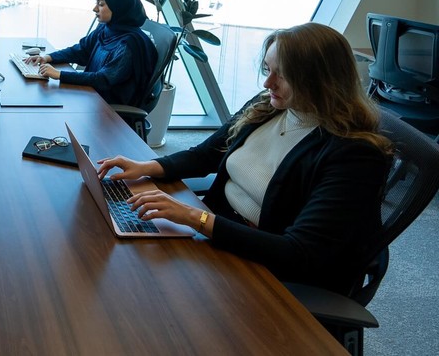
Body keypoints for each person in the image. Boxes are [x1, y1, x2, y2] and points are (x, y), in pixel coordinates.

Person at [95, 22, 392, 294]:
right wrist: (147, 167)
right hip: (217, 234)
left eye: (283, 75)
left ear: (321, 81)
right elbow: (208, 153)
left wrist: (193, 217)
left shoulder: (355, 155)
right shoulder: (268, 107)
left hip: (266, 267)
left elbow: (299, 253)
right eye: (267, 69)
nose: (268, 83)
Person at [26, 0, 157, 106]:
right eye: (96, 3)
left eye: (101, 4)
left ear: (117, 7)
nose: (95, 9)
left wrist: (59, 75)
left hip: (107, 108)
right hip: (92, 95)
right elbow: (81, 50)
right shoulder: (107, 28)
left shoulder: (129, 44)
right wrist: (47, 57)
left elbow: (103, 80)